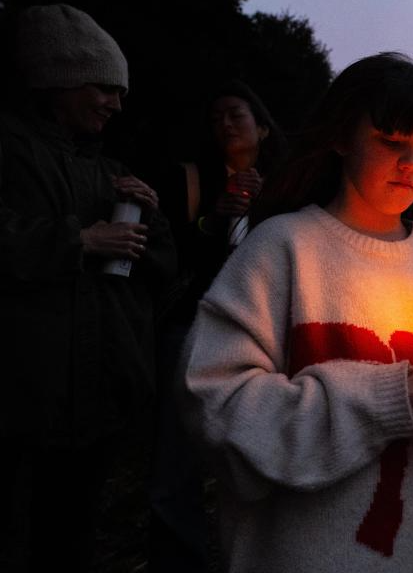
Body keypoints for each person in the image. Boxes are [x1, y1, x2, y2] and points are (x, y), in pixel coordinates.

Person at [179, 52, 413, 572]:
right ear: (342, 136)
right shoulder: (282, 250)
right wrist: (384, 402)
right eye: (391, 141)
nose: (410, 164)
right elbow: (214, 407)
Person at [0, 5, 176, 572]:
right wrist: (79, 240)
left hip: (95, 406)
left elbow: (162, 269)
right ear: (58, 78)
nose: (116, 104)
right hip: (21, 398)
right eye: (104, 87)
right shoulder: (9, 149)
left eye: (120, 92)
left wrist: (153, 218)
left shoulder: (112, 172)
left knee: (69, 542)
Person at [149, 80, 285, 573]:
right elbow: (167, 253)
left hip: (264, 333)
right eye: (216, 118)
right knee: (175, 457)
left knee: (258, 450)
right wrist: (213, 217)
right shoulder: (190, 179)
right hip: (193, 325)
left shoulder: (288, 186)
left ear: (262, 128)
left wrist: (270, 209)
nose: (225, 125)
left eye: (236, 114)